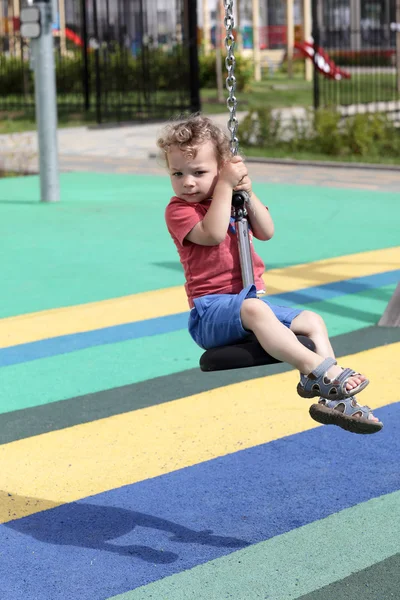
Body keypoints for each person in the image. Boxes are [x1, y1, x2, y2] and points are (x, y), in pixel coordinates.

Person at [157, 114, 382, 435]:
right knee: (255, 308)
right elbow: (213, 233)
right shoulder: (179, 209)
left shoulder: (232, 199)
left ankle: (331, 398)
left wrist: (246, 192)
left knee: (312, 321)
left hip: (247, 306)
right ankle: (321, 370)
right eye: (177, 173)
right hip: (210, 314)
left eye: (199, 172)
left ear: (222, 168)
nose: (187, 182)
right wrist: (223, 185)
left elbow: (267, 230)